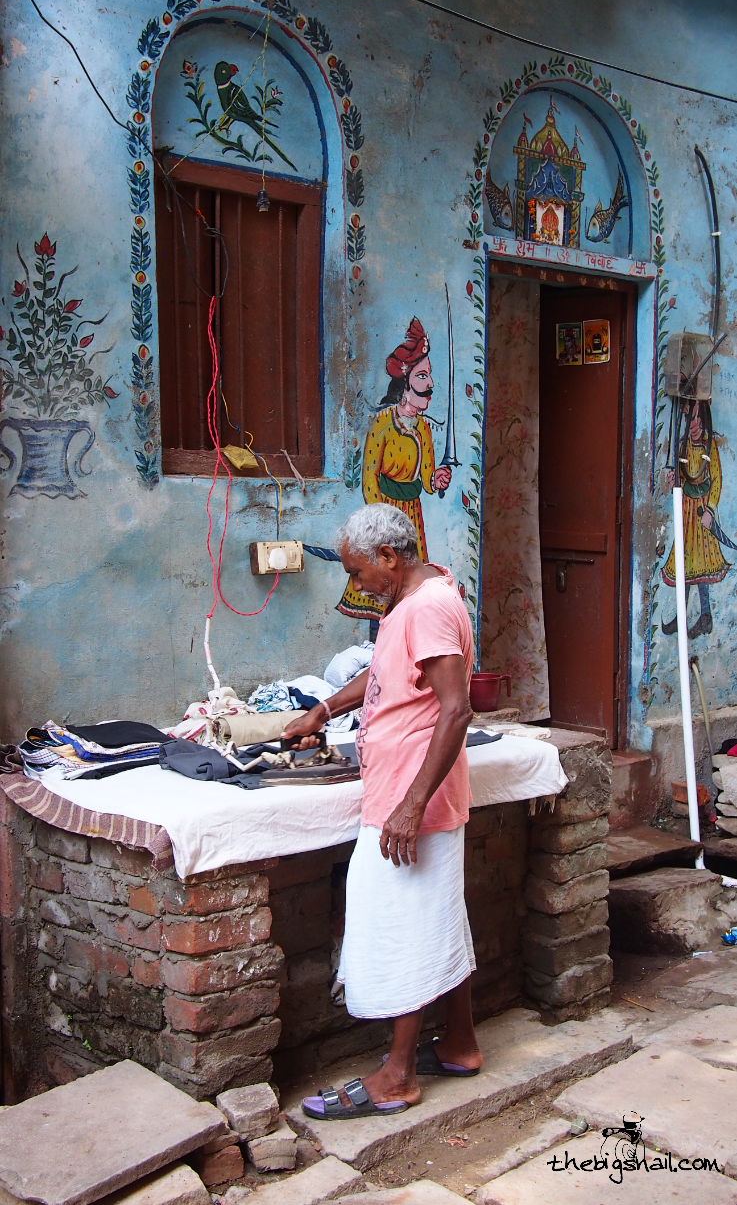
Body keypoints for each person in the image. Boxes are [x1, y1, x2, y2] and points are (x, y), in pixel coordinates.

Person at [285, 504, 482, 1120]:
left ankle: (396, 1076)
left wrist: (410, 805)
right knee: (438, 918)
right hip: (404, 791)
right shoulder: (419, 597)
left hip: (410, 799)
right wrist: (326, 708)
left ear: (389, 558)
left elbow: (456, 710)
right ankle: (460, 1044)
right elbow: (387, 673)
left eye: (356, 571)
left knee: (403, 927)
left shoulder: (426, 607)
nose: (355, 583)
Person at [338, 318, 452, 622]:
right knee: (379, 584)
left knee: (410, 588)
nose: (430, 385)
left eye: (429, 377)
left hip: (412, 515)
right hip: (386, 514)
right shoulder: (384, 423)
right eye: (423, 376)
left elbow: (426, 479)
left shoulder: (424, 428)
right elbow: (369, 479)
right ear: (406, 382)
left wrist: (436, 479)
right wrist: (382, 521)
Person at [662, 399, 729, 640]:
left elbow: (717, 479)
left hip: (701, 513)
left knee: (701, 563)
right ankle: (682, 615)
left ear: (702, 418)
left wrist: (710, 510)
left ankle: (705, 616)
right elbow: (680, 477)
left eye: (693, 416)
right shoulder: (682, 445)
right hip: (687, 512)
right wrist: (672, 481)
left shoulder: (709, 445)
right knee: (685, 561)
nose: (690, 422)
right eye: (686, 415)